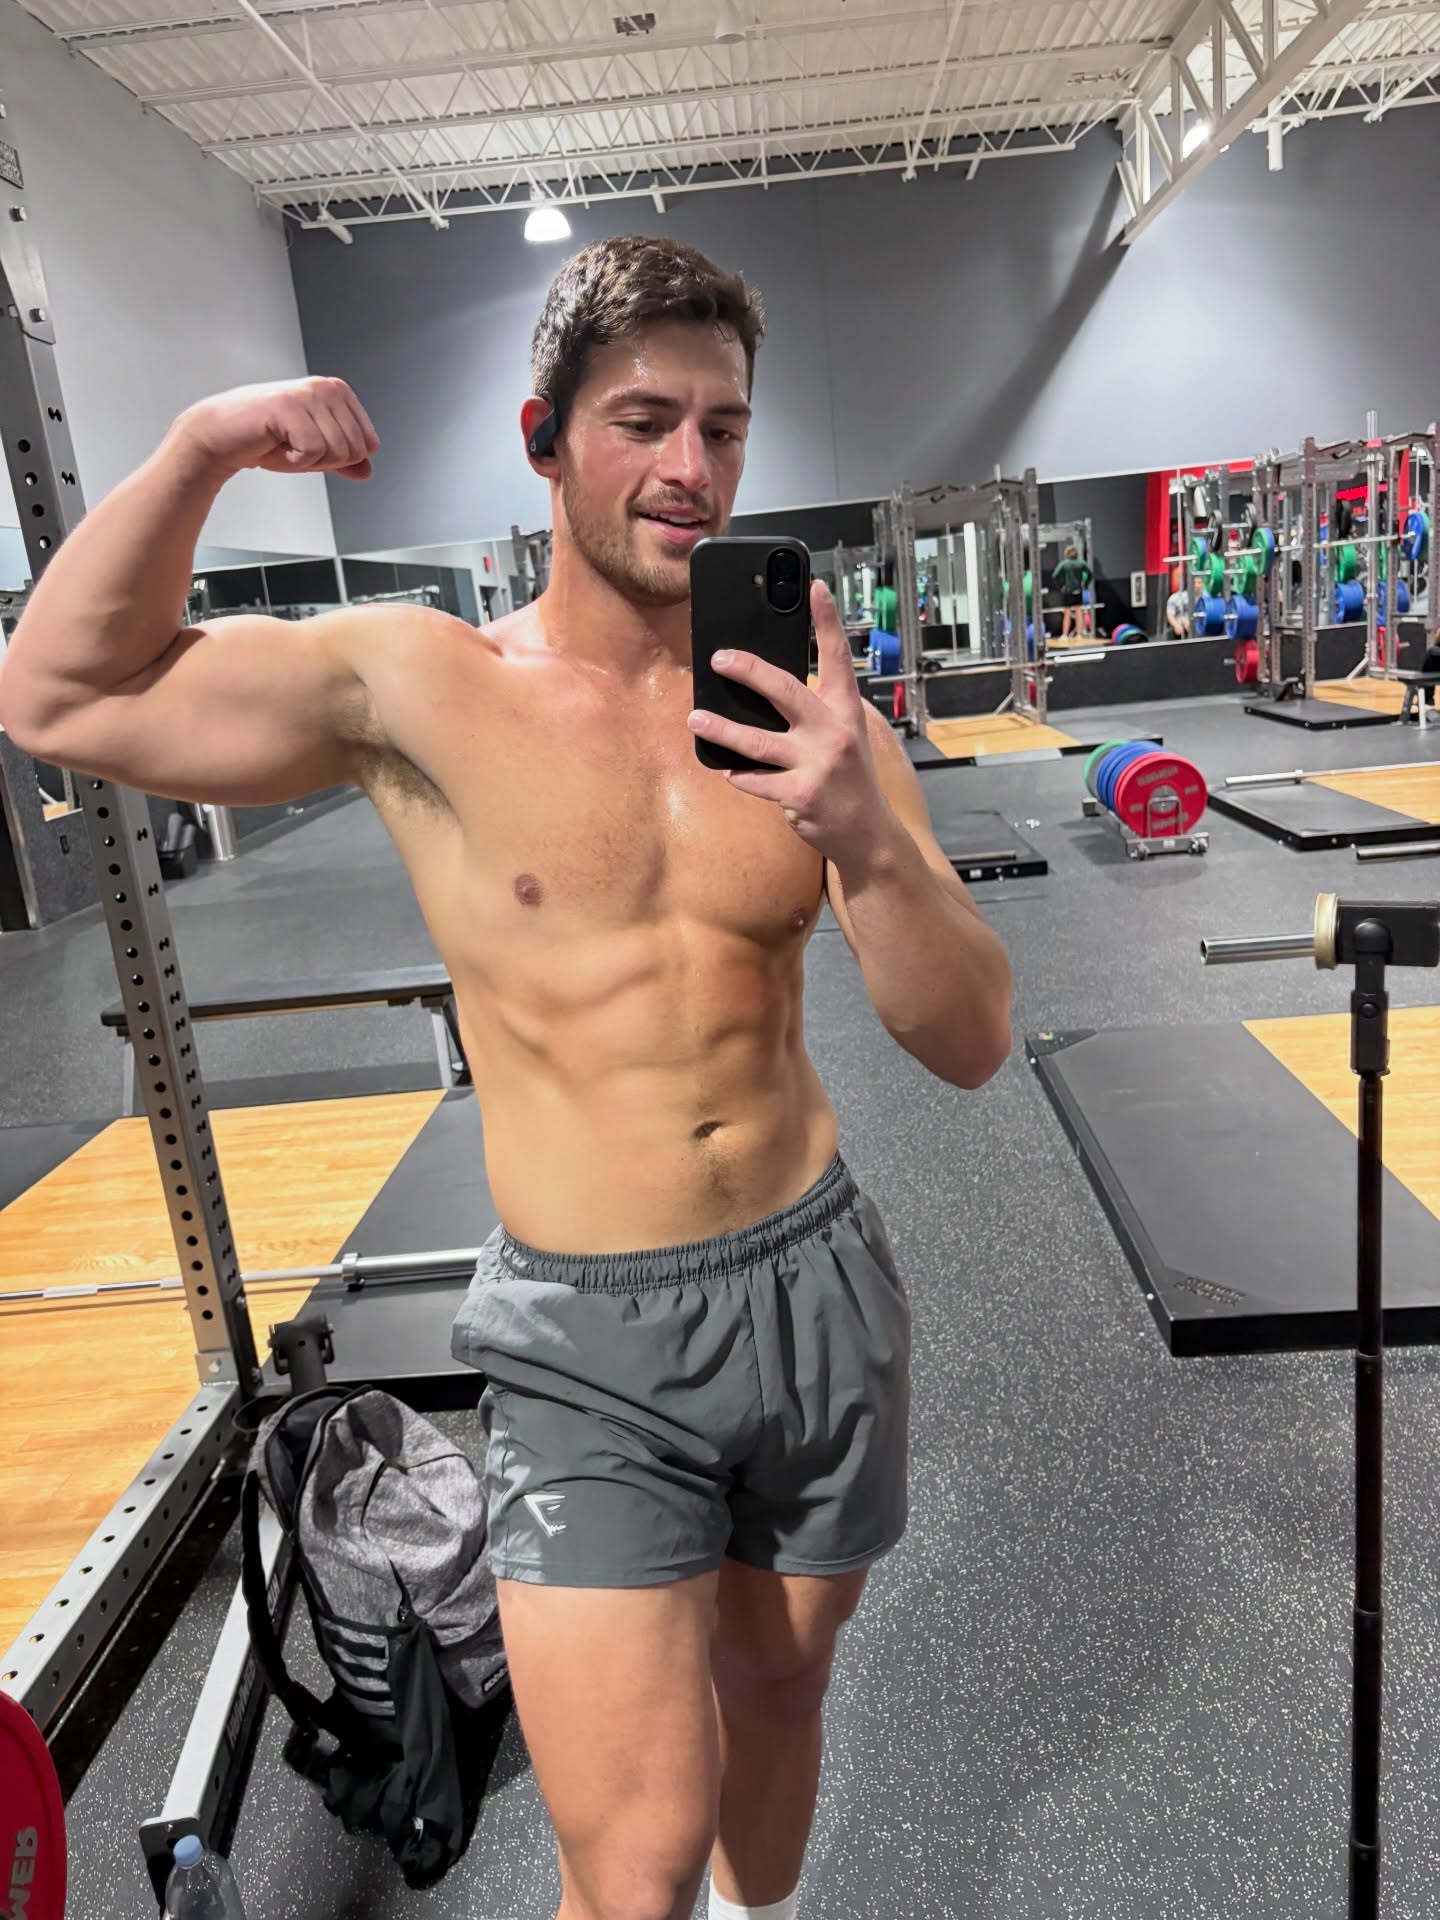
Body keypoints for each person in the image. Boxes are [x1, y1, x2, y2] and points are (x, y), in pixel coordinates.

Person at [0, 235, 1012, 1920]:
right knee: (632, 1858)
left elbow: (967, 1037)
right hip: (589, 1337)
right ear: (545, 439)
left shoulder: (800, 694)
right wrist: (199, 449)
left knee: (781, 1690)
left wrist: (859, 827)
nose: (691, 468)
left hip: (816, 1284)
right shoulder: (419, 683)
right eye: (643, 421)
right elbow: (56, 692)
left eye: (723, 427)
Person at [1051, 544, 1093, 640]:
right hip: (1078, 590)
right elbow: (1090, 574)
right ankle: (1079, 634)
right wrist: (1085, 584)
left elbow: (1055, 575)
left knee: (1067, 613)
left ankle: (1065, 635)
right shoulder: (1081, 563)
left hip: (1067, 591)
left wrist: (1061, 585)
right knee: (1079, 612)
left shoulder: (1064, 564)